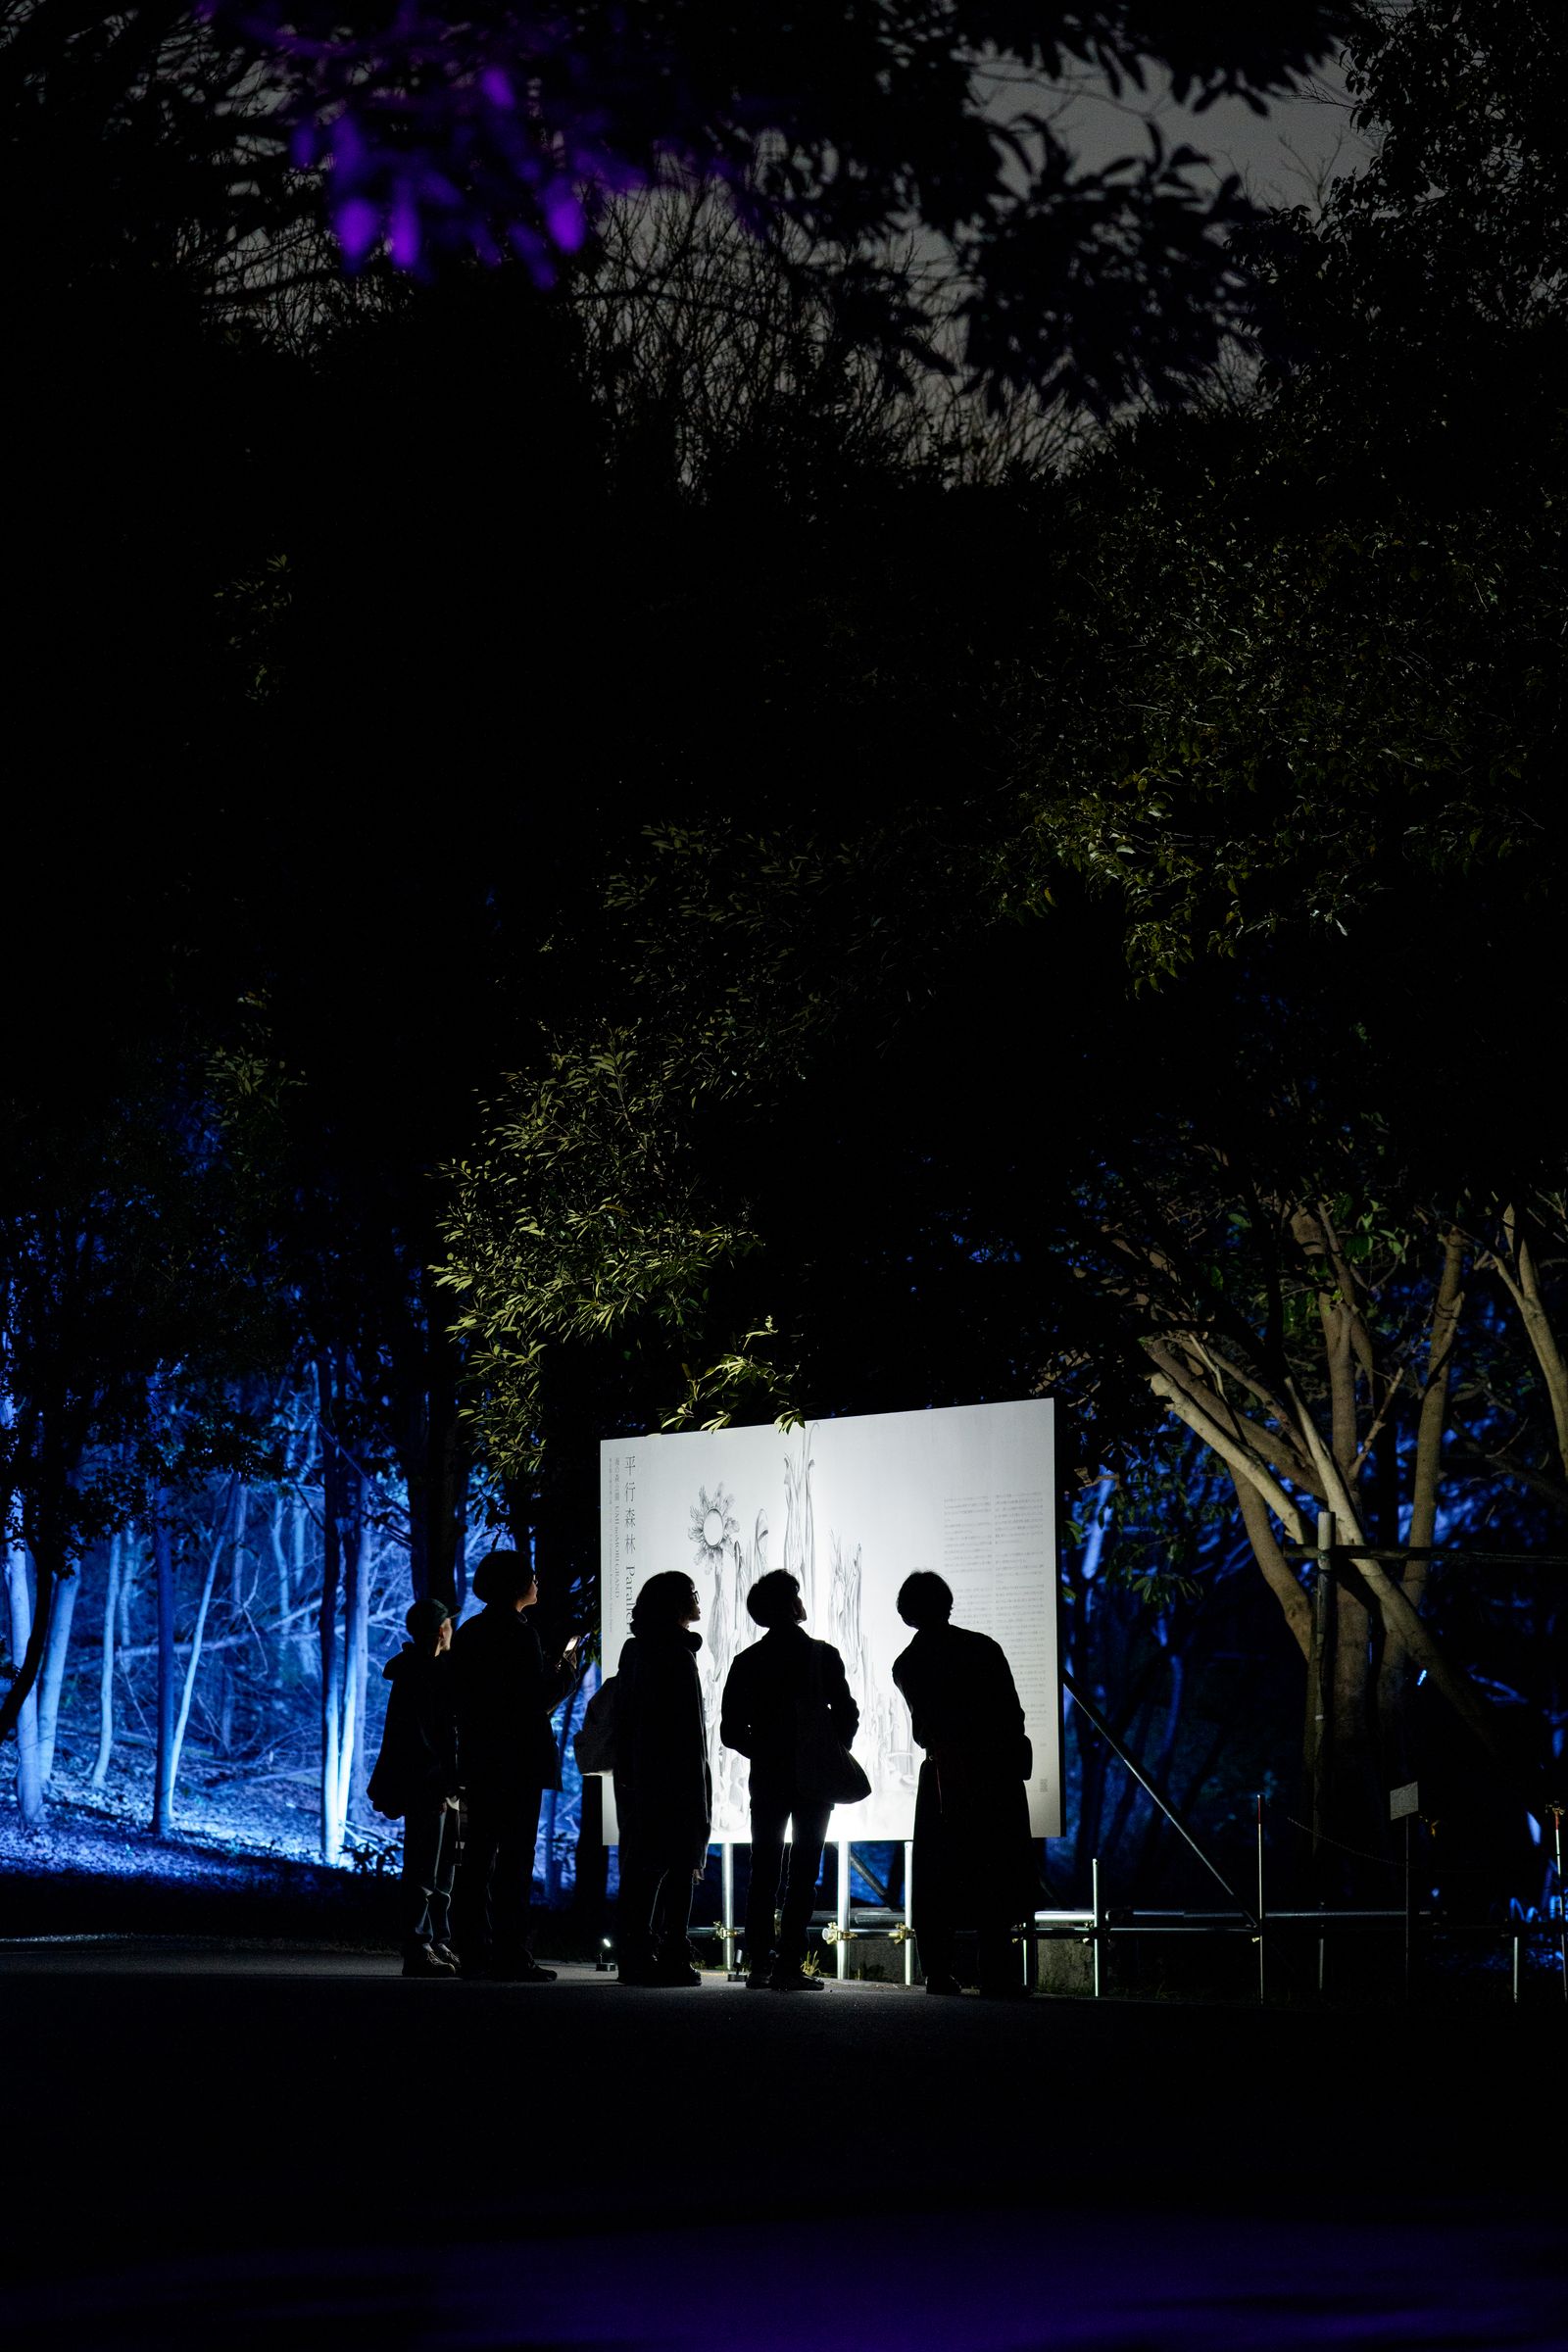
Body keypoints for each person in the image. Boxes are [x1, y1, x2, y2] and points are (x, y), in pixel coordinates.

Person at [892, 1570, 1037, 1998]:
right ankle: (996, 1973)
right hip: (993, 1772)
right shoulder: (982, 1648)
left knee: (938, 1874)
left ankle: (937, 1971)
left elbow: (925, 1729)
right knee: (994, 1869)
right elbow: (1012, 1715)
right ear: (947, 1602)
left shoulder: (907, 1663)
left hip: (943, 1774)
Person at [720, 1568, 859, 1992]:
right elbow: (848, 1714)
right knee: (804, 1872)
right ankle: (790, 1964)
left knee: (763, 1870)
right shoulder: (822, 1655)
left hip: (767, 1777)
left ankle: (759, 1962)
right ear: (793, 1605)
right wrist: (830, 1748)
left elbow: (730, 1731)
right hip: (815, 1778)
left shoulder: (747, 1662)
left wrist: (761, 1749)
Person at [452, 1549, 581, 1983]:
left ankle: (472, 1951)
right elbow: (531, 1704)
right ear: (515, 1586)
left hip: (481, 1758)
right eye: (530, 1577)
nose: (537, 1582)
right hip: (518, 1761)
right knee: (514, 1861)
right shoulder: (519, 1634)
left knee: (477, 1858)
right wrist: (565, 1676)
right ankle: (511, 1954)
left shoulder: (470, 1631)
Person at [613, 1570, 711, 1987]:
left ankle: (637, 1952)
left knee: (645, 1869)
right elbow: (687, 1732)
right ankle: (672, 1951)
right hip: (675, 1778)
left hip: (641, 1777)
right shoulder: (674, 1654)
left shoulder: (636, 1652)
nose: (697, 1598)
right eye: (690, 1593)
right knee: (678, 1864)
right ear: (674, 1605)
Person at [368, 1595, 464, 1978]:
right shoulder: (423, 1675)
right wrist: (441, 1780)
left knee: (441, 1870)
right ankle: (419, 1945)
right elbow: (424, 1737)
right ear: (441, 1630)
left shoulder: (427, 1671)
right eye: (450, 1625)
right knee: (425, 1868)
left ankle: (437, 1940)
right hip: (430, 1784)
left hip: (440, 1783)